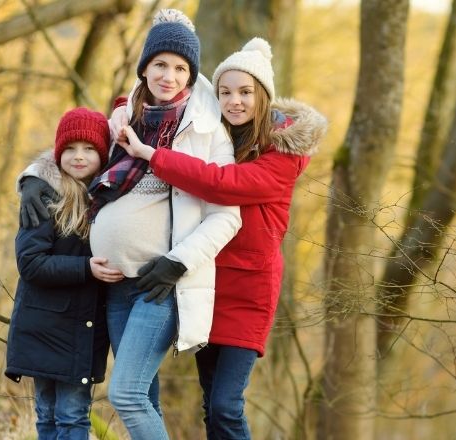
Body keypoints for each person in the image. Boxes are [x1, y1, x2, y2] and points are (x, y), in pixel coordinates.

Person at [16, 9, 241, 439]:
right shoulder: (127, 117)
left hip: (161, 283)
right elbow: (73, 152)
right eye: (160, 64)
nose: (169, 76)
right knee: (146, 397)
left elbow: (227, 214)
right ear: (145, 67)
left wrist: (178, 262)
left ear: (191, 76)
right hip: (116, 286)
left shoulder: (206, 130)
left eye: (180, 68)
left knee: (127, 396)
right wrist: (30, 178)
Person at [115, 37, 327, 439]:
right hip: (207, 283)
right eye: (225, 92)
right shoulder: (222, 138)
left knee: (228, 405)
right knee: (211, 405)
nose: (235, 101)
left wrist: (152, 156)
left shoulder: (283, 156)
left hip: (249, 289)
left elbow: (222, 184)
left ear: (264, 96)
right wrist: (118, 112)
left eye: (246, 92)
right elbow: (157, 101)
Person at [5, 107, 125, 440]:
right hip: (42, 326)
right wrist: (85, 268)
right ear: (58, 153)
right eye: (70, 148)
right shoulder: (45, 195)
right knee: (46, 414)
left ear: (103, 154)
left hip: (83, 331)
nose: (79, 156)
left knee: (73, 416)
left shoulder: (110, 198)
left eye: (89, 149)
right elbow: (30, 262)